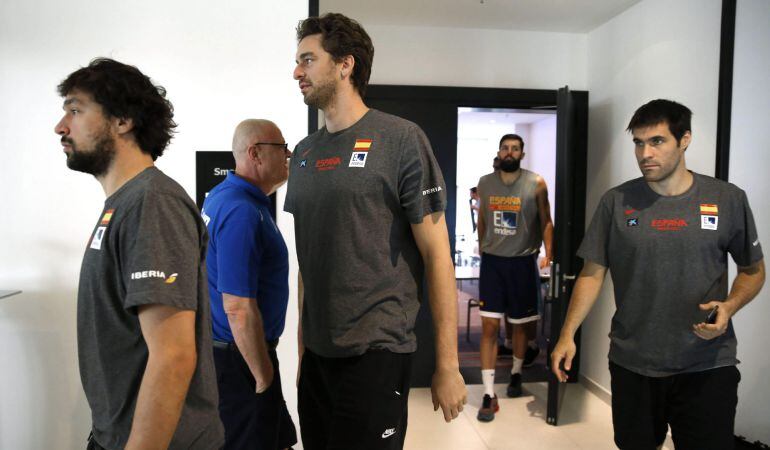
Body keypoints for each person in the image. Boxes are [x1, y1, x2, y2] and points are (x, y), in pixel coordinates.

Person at [287, 13, 467, 449]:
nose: (297, 72)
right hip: (318, 355)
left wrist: (448, 364)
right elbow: (308, 260)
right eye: (297, 62)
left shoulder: (401, 139)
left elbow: (438, 255)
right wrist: (302, 351)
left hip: (377, 352)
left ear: (345, 65)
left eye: (308, 60)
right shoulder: (305, 154)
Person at [551, 99, 765, 450]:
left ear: (684, 140)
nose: (645, 153)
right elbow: (592, 273)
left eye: (657, 141)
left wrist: (730, 306)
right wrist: (567, 334)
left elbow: (753, 270)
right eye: (638, 142)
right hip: (634, 362)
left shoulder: (727, 199)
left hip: (707, 362)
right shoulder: (616, 202)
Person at [55, 58, 224, 450]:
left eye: (76, 110)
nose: (61, 126)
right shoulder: (124, 203)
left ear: (123, 120)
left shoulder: (152, 203)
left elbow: (173, 356)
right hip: (117, 436)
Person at [201, 119, 298, 449]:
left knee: (278, 438)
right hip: (241, 361)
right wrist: (262, 375)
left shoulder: (229, 197)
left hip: (236, 355)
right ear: (255, 153)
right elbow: (238, 307)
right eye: (281, 147)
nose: (288, 154)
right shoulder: (240, 210)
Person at [474, 134, 553, 421]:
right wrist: (483, 245)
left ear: (522, 153)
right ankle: (487, 393)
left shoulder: (535, 183)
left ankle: (516, 374)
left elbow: (545, 220)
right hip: (493, 265)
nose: (509, 152)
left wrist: (549, 253)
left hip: (522, 263)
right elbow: (482, 216)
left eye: (515, 149)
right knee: (489, 328)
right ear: (499, 152)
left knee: (520, 328)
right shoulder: (485, 183)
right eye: (505, 148)